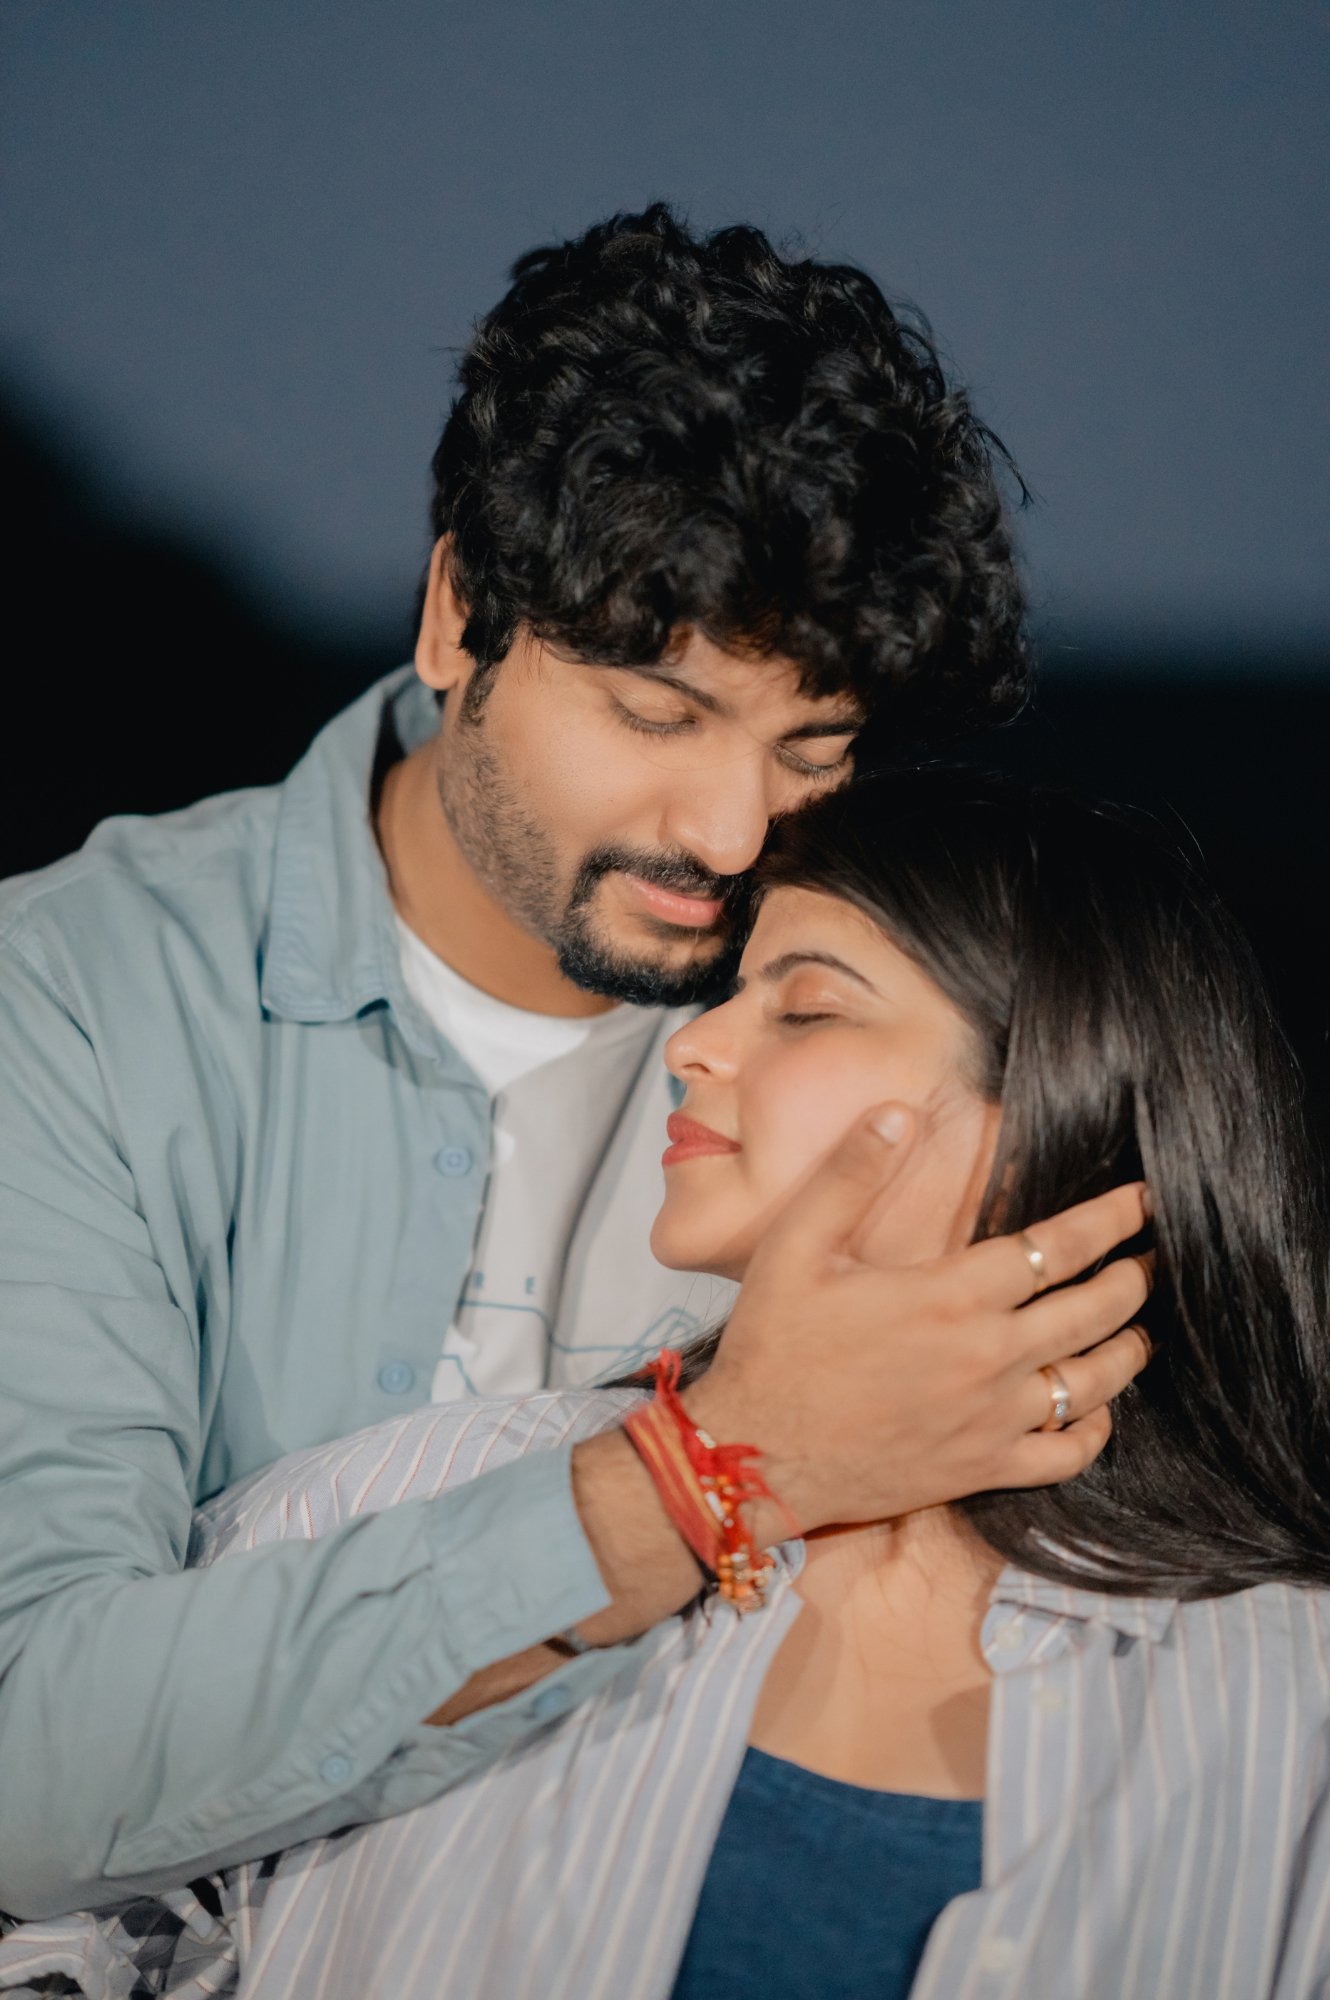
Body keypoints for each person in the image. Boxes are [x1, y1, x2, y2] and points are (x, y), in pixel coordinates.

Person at [0, 207, 1146, 1924]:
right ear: (459, 613)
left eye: (811, 745)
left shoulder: (876, 1043)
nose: (734, 826)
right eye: (658, 714)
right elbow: (33, 1778)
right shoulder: (76, 993)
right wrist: (717, 1474)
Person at [4, 766, 1324, 2000]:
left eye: (805, 1005)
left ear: (1057, 1100)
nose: (692, 1046)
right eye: (726, 991)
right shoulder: (382, 1499)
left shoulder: (1289, 1693)